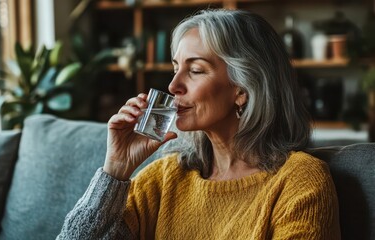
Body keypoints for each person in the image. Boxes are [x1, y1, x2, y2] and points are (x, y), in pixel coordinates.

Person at [57, 9, 340, 239]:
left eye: (195, 70)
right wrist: (115, 171)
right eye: (175, 67)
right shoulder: (162, 179)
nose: (173, 85)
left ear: (242, 89)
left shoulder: (299, 180)